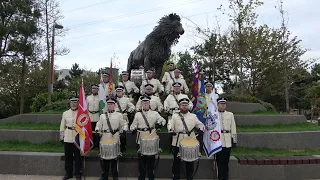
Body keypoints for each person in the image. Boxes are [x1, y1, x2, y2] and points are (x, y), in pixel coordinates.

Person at [167, 98, 205, 180]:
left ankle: (189, 177)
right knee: (176, 162)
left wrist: (202, 128)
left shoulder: (193, 116)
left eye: (186, 105)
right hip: (177, 141)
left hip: (190, 142)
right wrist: (171, 130)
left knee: (190, 162)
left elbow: (200, 124)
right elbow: (170, 125)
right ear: (179, 106)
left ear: (188, 106)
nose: (184, 107)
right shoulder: (174, 116)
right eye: (182, 105)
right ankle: (176, 177)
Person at [130, 95, 166, 180]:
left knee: (151, 159)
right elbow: (133, 125)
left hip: (151, 138)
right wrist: (133, 128)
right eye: (143, 102)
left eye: (147, 102)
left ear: (149, 103)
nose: (145, 104)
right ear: (141, 104)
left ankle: (151, 175)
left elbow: (163, 120)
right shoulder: (138, 114)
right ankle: (141, 176)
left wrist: (160, 123)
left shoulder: (155, 113)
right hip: (141, 139)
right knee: (141, 160)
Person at [95, 97, 128, 180]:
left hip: (115, 137)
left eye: (111, 104)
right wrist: (97, 129)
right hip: (104, 138)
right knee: (104, 158)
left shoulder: (119, 115)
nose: (110, 105)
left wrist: (124, 130)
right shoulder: (102, 115)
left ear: (115, 105)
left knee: (114, 158)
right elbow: (98, 124)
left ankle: (115, 175)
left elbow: (124, 124)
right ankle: (105, 175)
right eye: (108, 104)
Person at [59, 97, 82, 180]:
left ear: (78, 103)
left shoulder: (81, 113)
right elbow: (62, 125)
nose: (73, 104)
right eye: (72, 102)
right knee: (68, 157)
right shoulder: (65, 113)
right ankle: (68, 173)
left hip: (77, 137)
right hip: (68, 136)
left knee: (77, 157)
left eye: (75, 102)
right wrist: (62, 136)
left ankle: (78, 173)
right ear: (70, 103)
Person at [215, 97, 237, 180]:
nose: (223, 105)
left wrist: (234, 140)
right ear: (217, 105)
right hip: (217, 141)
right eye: (221, 103)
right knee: (219, 162)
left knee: (225, 162)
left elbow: (233, 127)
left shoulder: (230, 114)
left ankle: (225, 177)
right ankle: (219, 177)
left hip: (227, 141)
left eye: (224, 104)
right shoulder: (214, 115)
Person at [115, 85, 135, 152]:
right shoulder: (113, 99)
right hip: (115, 118)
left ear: (122, 92)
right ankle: (115, 147)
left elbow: (132, 107)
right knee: (115, 133)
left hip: (123, 117)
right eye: (117, 91)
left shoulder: (126, 99)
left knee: (123, 134)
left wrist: (129, 111)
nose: (118, 92)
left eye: (120, 91)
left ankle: (123, 147)